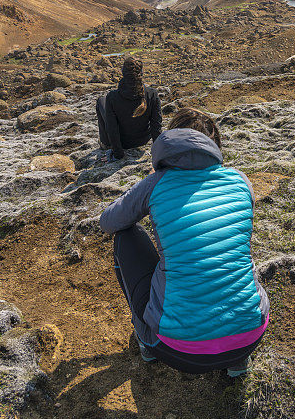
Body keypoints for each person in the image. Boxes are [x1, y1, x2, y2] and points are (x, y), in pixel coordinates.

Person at [99, 107, 269, 376]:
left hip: (178, 350)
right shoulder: (240, 180)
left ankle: (147, 340)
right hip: (249, 338)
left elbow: (108, 222)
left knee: (126, 237)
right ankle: (237, 362)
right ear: (215, 145)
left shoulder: (156, 184)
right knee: (233, 254)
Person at [96, 56, 162, 161]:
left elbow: (111, 128)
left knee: (100, 101)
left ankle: (105, 144)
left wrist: (117, 155)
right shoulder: (152, 94)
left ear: (123, 73)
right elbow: (156, 127)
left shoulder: (112, 97)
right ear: (141, 73)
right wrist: (160, 154)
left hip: (123, 143)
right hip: (143, 140)